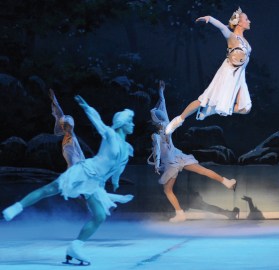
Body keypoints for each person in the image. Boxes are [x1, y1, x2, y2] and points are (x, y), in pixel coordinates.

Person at [2, 95, 135, 265]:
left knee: (100, 216)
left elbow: (118, 167)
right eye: (130, 121)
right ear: (122, 123)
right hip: (85, 170)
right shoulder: (110, 134)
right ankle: (17, 207)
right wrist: (87, 107)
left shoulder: (127, 148)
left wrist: (115, 181)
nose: (133, 124)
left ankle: (75, 247)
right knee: (50, 190)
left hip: (94, 182)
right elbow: (98, 122)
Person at [149, 80, 237, 222]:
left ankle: (180, 213)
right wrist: (161, 92)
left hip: (172, 162)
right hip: (178, 157)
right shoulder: (167, 126)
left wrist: (157, 165)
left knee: (168, 190)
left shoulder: (156, 135)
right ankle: (227, 182)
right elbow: (163, 107)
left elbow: (158, 151)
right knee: (202, 170)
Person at [165, 7, 252, 135]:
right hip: (228, 73)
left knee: (245, 108)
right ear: (239, 22)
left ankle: (210, 110)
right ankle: (178, 120)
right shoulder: (233, 37)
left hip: (239, 75)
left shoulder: (245, 41)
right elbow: (223, 28)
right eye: (246, 19)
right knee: (204, 100)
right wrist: (210, 19)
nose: (249, 21)